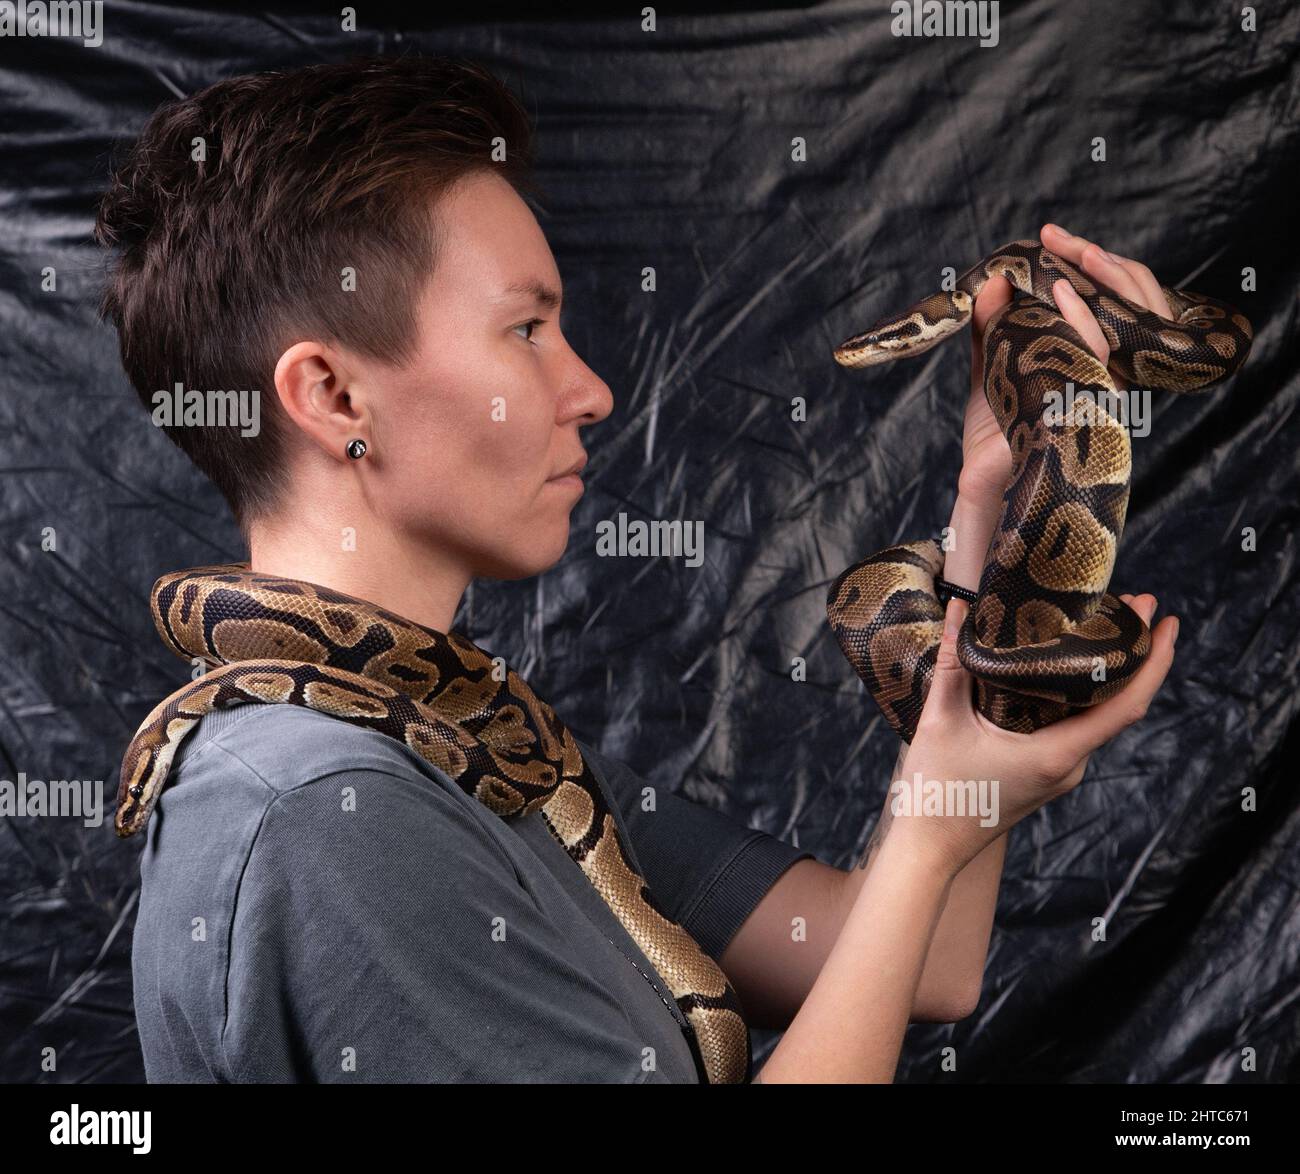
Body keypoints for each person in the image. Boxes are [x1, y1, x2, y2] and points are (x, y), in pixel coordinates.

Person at [96, 54, 1178, 1083]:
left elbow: (919, 955)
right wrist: (939, 820)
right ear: (333, 398)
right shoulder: (334, 812)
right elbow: (920, 884)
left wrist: (1007, 490)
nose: (594, 389)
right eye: (526, 328)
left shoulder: (479, 743)